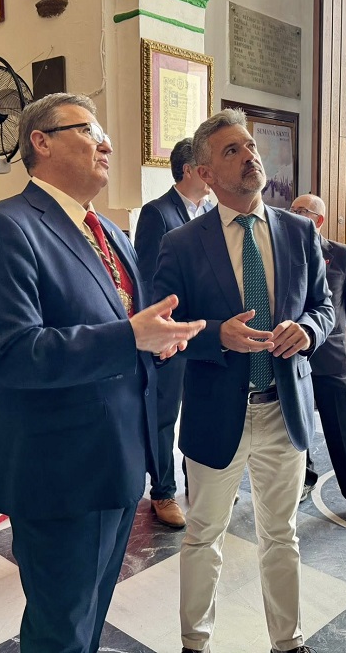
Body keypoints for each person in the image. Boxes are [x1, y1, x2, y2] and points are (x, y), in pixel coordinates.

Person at [0, 93, 204, 653]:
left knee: (90, 610)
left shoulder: (106, 230)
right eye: (88, 130)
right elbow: (9, 352)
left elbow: (123, 325)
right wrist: (130, 338)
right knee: (60, 623)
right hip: (59, 468)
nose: (106, 143)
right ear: (40, 141)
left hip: (117, 458)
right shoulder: (4, 228)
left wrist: (156, 344)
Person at [153, 108, 334, 653]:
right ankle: (194, 643)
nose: (250, 156)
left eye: (250, 146)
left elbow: (325, 307)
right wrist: (216, 335)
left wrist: (308, 330)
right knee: (203, 536)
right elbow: (161, 328)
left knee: (281, 535)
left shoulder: (299, 232)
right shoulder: (183, 243)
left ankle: (289, 642)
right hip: (217, 412)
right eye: (232, 150)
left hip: (284, 409)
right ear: (205, 173)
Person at [134, 137, 213, 528]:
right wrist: (162, 333)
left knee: (201, 411)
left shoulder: (213, 210)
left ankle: (196, 481)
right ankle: (162, 492)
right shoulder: (158, 213)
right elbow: (148, 280)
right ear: (190, 170)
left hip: (207, 334)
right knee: (164, 417)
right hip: (172, 335)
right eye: (207, 165)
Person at [290, 193, 346, 526]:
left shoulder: (341, 254)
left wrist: (327, 330)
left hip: (330, 354)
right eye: (292, 210)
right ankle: (303, 479)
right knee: (295, 424)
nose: (295, 215)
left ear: (319, 220)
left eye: (303, 211)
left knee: (341, 427)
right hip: (290, 356)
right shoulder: (282, 251)